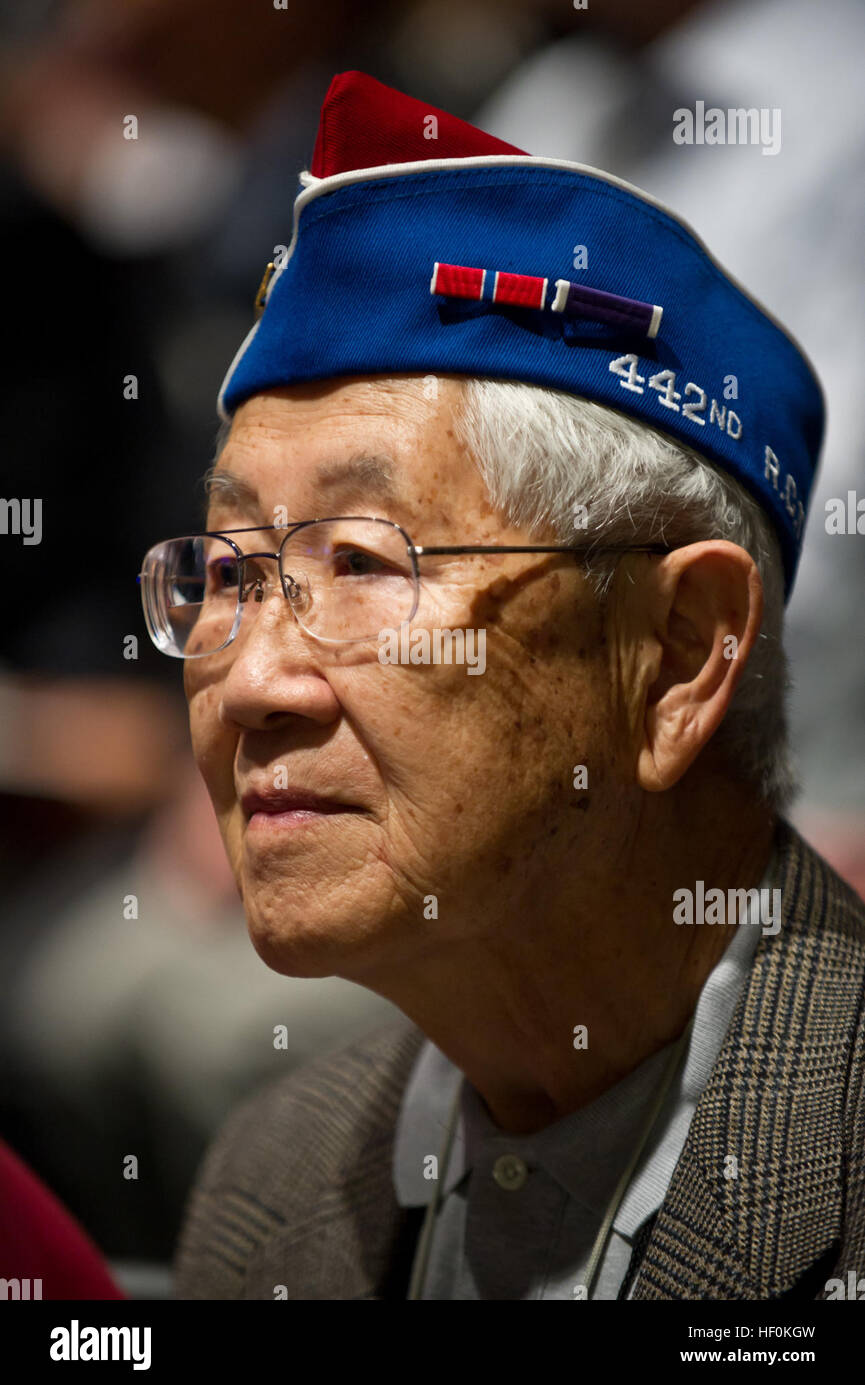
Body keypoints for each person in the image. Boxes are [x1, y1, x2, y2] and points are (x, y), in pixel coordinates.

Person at [143, 72, 863, 1299]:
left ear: (678, 653)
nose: (254, 679)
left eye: (362, 562)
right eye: (225, 570)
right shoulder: (273, 1177)